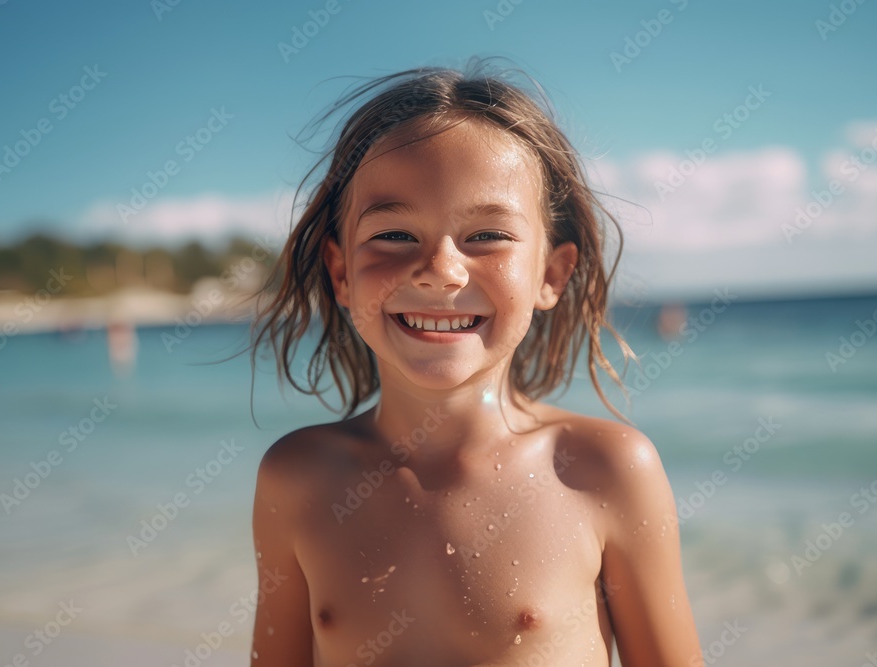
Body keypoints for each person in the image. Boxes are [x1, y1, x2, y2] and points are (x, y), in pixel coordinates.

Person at [247, 60, 702, 666]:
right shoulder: (297, 479)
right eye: (396, 235)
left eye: (487, 235)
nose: (441, 269)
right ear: (341, 273)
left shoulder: (605, 471)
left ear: (551, 273)